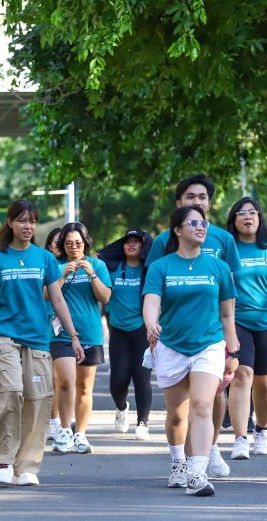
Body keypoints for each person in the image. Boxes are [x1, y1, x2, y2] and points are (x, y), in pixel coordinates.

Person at [0, 200, 83, 487]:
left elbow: (57, 299)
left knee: (38, 400)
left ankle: (27, 466)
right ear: (10, 223)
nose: (28, 226)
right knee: (10, 392)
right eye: (22, 220)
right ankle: (5, 460)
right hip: (3, 336)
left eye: (32, 221)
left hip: (37, 339)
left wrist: (73, 336)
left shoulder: (44, 259)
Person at [145, 173, 240, 479]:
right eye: (193, 223)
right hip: (171, 342)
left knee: (202, 404)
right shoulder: (161, 262)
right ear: (177, 229)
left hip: (209, 342)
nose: (201, 227)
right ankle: (178, 463)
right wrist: (151, 325)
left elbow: (228, 313)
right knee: (176, 414)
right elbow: (152, 300)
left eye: (203, 223)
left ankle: (198, 472)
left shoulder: (219, 264)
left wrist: (233, 349)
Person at [225, 197, 267, 459]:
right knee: (242, 376)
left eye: (252, 213)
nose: (247, 217)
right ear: (234, 221)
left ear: (259, 218)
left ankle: (262, 431)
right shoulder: (228, 250)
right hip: (237, 320)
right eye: (241, 213)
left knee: (264, 385)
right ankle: (240, 438)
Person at [50, 222, 112, 454]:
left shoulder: (97, 265)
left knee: (84, 387)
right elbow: (46, 295)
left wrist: (92, 274)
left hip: (90, 332)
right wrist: (63, 276)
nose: (73, 247)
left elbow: (105, 297)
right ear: (62, 245)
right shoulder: (55, 266)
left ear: (85, 243)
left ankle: (81, 434)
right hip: (61, 333)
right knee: (64, 382)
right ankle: (65, 430)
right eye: (68, 243)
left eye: (77, 243)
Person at [99, 229, 154, 440]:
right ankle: (122, 408)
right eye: (127, 242)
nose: (131, 245)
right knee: (118, 380)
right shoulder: (112, 268)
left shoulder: (148, 270)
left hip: (142, 330)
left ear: (143, 247)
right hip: (118, 331)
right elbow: (103, 254)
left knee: (142, 377)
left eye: (136, 242)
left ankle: (143, 423)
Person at [43, 227, 65, 445]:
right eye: (56, 242)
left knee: (67, 379)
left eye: (63, 241)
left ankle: (66, 420)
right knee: (52, 378)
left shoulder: (78, 263)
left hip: (69, 326)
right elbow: (45, 294)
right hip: (45, 325)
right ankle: (53, 420)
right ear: (49, 245)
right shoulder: (44, 264)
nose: (59, 245)